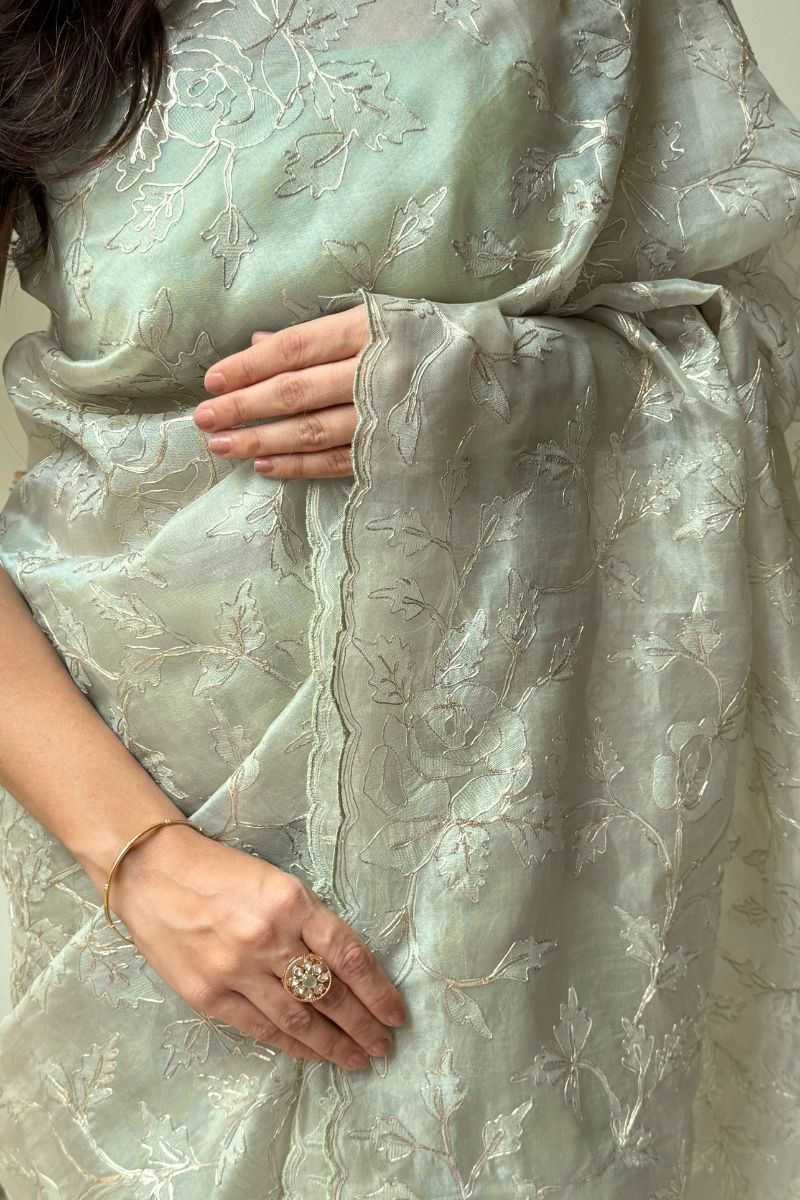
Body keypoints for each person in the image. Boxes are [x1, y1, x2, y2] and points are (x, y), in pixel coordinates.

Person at [1, 0, 799, 1195]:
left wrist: (517, 387)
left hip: (520, 866)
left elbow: (756, 328)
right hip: (133, 866)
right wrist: (140, 858)